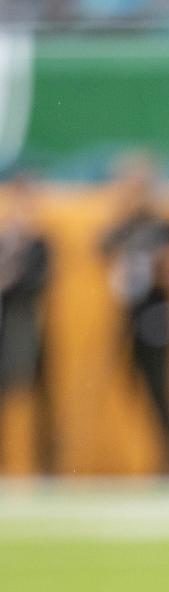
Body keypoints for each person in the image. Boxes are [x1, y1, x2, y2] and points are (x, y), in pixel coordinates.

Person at [98, 153, 169, 474]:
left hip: (157, 314)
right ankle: (146, 457)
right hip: (128, 317)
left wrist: (160, 264)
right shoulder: (123, 227)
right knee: (132, 384)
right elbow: (101, 250)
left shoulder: (165, 226)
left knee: (162, 387)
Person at [0, 173, 55, 473]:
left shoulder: (39, 243)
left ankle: (46, 464)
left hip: (30, 325)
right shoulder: (5, 241)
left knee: (41, 396)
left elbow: (39, 281)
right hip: (5, 324)